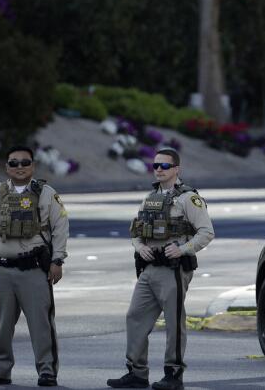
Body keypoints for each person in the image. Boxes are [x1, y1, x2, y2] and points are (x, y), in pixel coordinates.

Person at [107, 147, 214, 390]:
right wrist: (139, 247)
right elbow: (135, 231)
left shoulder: (189, 198)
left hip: (173, 269)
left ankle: (173, 374)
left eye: (164, 166)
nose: (158, 169)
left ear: (176, 169)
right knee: (134, 317)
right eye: (155, 165)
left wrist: (183, 249)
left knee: (174, 323)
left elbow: (207, 232)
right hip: (149, 268)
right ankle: (136, 372)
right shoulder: (149, 198)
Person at [0, 146, 69, 387]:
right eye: (13, 163)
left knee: (41, 325)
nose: (19, 167)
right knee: (1, 325)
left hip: (34, 269)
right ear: (6, 167)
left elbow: (60, 228)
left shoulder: (46, 194)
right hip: (1, 270)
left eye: (25, 162)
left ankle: (47, 371)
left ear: (33, 166)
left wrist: (57, 260)